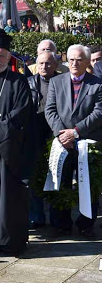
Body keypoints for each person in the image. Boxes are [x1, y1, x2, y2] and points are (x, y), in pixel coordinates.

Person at [0, 29, 33, 256]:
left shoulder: (19, 81)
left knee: (7, 197)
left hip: (9, 151)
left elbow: (21, 114)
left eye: (0, 56)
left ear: (8, 57)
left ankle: (8, 242)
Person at [45, 44, 102, 236]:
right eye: (71, 60)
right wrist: (62, 134)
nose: (75, 63)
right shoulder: (56, 82)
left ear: (87, 62)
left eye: (79, 60)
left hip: (88, 141)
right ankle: (60, 224)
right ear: (66, 61)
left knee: (88, 184)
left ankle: (86, 224)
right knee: (60, 181)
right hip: (63, 142)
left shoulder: (97, 84)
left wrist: (76, 132)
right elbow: (50, 110)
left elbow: (99, 112)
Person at [27, 52, 59, 227]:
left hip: (56, 134)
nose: (44, 67)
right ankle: (37, 217)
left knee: (56, 177)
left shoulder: (63, 81)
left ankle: (56, 220)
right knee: (36, 179)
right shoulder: (29, 82)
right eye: (41, 63)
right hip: (35, 135)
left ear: (55, 65)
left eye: (48, 63)